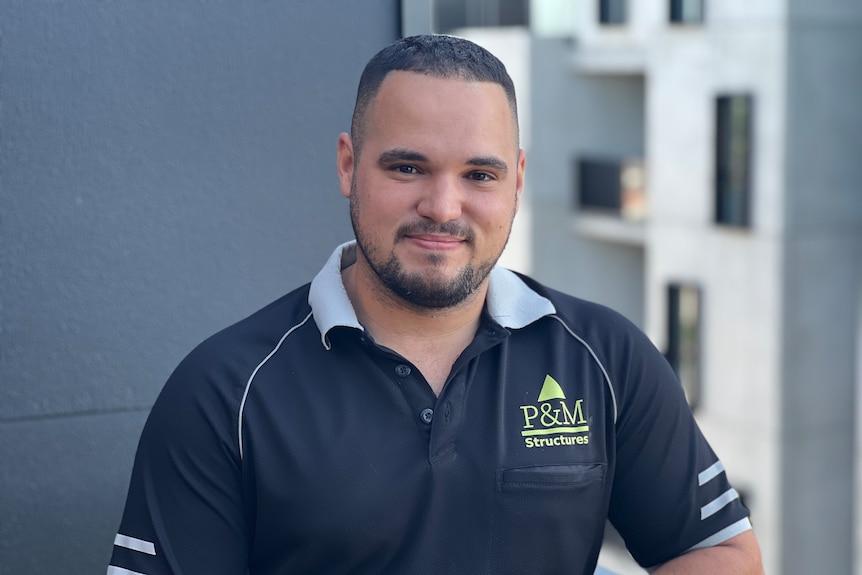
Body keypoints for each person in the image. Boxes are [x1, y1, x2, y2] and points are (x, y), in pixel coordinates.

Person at [108, 35, 763, 575]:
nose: (444, 208)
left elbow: (717, 550)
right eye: (407, 168)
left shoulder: (604, 357)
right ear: (347, 164)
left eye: (479, 175)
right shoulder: (224, 393)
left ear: (518, 181)